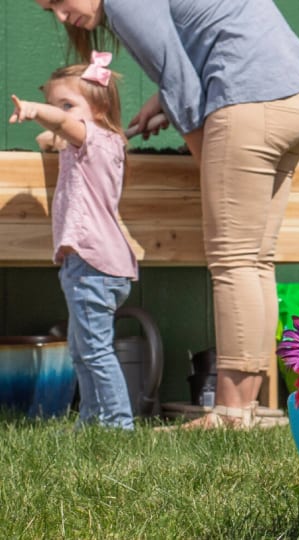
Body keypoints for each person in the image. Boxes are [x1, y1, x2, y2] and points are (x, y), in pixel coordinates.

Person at [34, 0, 299, 429]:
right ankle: (243, 408)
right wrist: (162, 101)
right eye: (50, 11)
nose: (62, 16)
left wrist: (205, 155)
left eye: (60, 2)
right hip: (297, 101)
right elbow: (210, 40)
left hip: (249, 102)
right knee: (255, 260)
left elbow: (179, 76)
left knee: (233, 260)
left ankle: (229, 411)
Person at [9, 54, 138, 430]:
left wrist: (37, 110)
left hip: (91, 263)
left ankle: (118, 423)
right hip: (94, 265)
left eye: (67, 103)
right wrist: (54, 125)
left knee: (95, 351)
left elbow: (63, 125)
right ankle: (93, 419)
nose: (59, 113)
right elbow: (51, 135)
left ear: (98, 108)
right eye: (54, 104)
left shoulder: (91, 137)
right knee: (83, 352)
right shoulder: (102, 143)